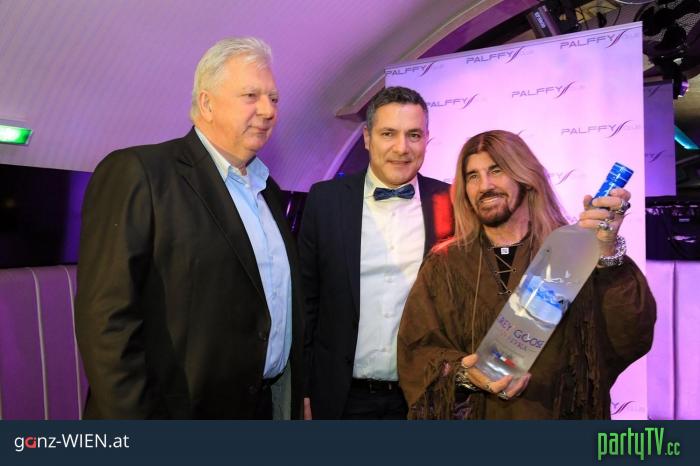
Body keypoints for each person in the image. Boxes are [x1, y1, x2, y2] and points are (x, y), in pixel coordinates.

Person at [75, 37, 303, 419]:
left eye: (274, 99)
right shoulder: (141, 174)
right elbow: (106, 322)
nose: (267, 111)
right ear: (207, 104)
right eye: (251, 96)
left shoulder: (270, 192)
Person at [397, 130, 656, 419]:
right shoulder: (445, 265)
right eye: (473, 176)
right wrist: (466, 375)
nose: (485, 185)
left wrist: (605, 251)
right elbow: (417, 352)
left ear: (526, 177)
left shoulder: (569, 252)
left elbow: (630, 333)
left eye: (496, 170)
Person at [298, 86, 454, 419]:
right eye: (388, 134)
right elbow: (306, 302)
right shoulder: (326, 201)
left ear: (427, 139)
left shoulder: (451, 203)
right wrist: (305, 388)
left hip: (420, 398)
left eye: (414, 135)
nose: (402, 148)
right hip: (340, 398)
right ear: (367, 138)